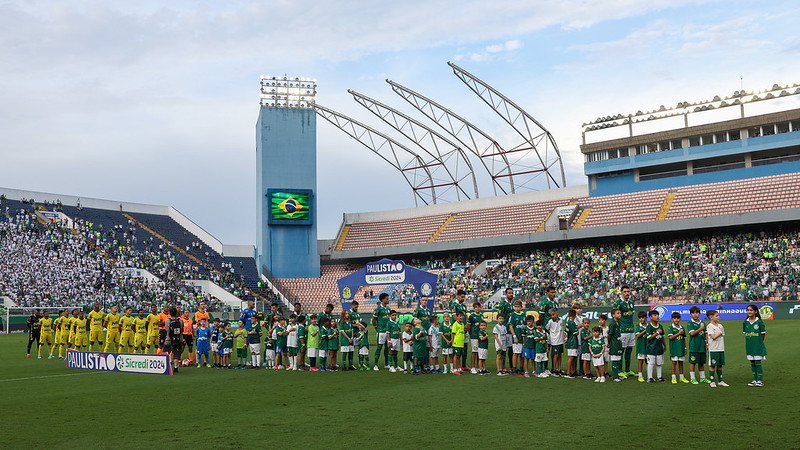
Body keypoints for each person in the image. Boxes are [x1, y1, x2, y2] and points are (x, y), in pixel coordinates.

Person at [613, 285, 636, 376]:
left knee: (629, 351)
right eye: (625, 292)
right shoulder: (618, 303)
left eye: (628, 291)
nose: (627, 293)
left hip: (631, 330)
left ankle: (627, 369)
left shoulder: (631, 303)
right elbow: (614, 315)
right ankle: (620, 370)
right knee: (621, 351)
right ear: (621, 293)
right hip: (623, 330)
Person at [743, 304, 767, 387]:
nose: (749, 312)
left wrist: (759, 342)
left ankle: (759, 380)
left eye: (751, 310)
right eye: (748, 310)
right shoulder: (745, 322)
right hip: (749, 346)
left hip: (757, 346)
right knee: (752, 363)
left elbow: (763, 334)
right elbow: (745, 333)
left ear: (755, 311)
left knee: (757, 363)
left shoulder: (759, 322)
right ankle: (754, 380)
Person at [687, 306, 710, 384]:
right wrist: (700, 329)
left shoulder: (702, 323)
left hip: (702, 346)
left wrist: (707, 343)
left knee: (701, 362)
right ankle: (692, 378)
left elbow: (706, 333)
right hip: (694, 346)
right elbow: (692, 333)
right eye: (693, 313)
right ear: (690, 314)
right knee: (693, 362)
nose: (695, 314)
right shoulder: (690, 323)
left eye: (697, 313)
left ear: (699, 314)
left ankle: (702, 378)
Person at [706, 310, 727, 387]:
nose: (718, 317)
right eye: (716, 316)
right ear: (711, 317)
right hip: (713, 349)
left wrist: (720, 332)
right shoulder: (710, 326)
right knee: (712, 365)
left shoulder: (720, 326)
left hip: (721, 348)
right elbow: (713, 337)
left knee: (720, 365)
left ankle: (720, 381)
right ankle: (712, 381)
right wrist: (720, 332)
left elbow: (722, 335)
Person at [667, 312, 689, 384]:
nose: (676, 320)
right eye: (674, 318)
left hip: (681, 348)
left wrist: (685, 348)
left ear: (680, 319)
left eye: (678, 318)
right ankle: (673, 377)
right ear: (672, 319)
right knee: (674, 362)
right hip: (674, 348)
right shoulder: (671, 327)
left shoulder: (682, 328)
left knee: (681, 362)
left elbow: (684, 338)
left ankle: (681, 377)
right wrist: (679, 333)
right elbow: (671, 337)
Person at [450, 290, 469, 370]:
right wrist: (461, 325)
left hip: (464, 329)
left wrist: (466, 325)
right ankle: (456, 367)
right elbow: (455, 317)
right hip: (458, 329)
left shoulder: (464, 306)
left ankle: (464, 365)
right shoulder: (454, 305)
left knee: (465, 347)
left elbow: (466, 316)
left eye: (464, 297)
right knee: (457, 349)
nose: (463, 298)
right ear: (457, 296)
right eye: (462, 297)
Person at [645, 310, 666, 383]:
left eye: (657, 315)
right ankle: (650, 377)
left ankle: (659, 377)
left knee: (659, 363)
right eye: (655, 315)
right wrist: (657, 333)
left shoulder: (660, 326)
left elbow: (663, 337)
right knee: (651, 363)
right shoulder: (649, 327)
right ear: (650, 317)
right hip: (651, 349)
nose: (657, 317)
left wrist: (665, 345)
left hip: (659, 348)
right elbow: (649, 337)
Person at [372, 294, 392, 370]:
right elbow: (374, 320)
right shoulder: (378, 309)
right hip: (381, 331)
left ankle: (386, 364)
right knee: (379, 347)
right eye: (387, 299)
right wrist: (376, 328)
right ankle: (375, 365)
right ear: (382, 300)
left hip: (387, 331)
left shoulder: (388, 308)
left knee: (387, 347)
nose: (388, 300)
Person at [497, 288, 515, 369]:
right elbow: (499, 316)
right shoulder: (503, 304)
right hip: (505, 329)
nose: (511, 294)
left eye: (512, 293)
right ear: (506, 294)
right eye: (509, 293)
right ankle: (503, 367)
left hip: (511, 330)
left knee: (511, 349)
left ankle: (511, 366)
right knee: (504, 349)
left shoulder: (512, 305)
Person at [507, 300, 526, 375]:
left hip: (523, 338)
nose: (517, 308)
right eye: (515, 307)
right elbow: (511, 326)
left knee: (522, 354)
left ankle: (521, 369)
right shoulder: (513, 315)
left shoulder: (523, 315)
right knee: (515, 353)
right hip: (517, 337)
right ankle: (514, 369)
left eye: (518, 307)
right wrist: (514, 336)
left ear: (521, 307)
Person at [545, 309, 565, 376]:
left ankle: (559, 369)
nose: (552, 316)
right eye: (551, 315)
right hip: (554, 341)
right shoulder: (550, 322)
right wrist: (552, 334)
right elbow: (546, 329)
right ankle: (554, 369)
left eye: (553, 314)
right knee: (555, 355)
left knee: (560, 355)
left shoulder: (561, 319)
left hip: (561, 340)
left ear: (556, 313)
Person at [163, 307, 183, 373]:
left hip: (168, 339)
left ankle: (165, 367)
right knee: (176, 354)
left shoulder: (167, 320)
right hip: (178, 340)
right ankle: (175, 367)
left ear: (169, 313)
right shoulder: (180, 320)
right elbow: (182, 329)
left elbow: (167, 330)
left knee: (166, 353)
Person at [607, 308, 624, 382]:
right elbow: (609, 334)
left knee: (618, 359)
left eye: (620, 313)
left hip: (618, 343)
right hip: (614, 343)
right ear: (613, 315)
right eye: (618, 313)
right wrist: (609, 343)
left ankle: (617, 375)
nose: (619, 314)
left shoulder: (618, 322)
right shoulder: (612, 324)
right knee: (615, 359)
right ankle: (615, 377)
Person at [467, 301, 483, 374]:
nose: (477, 309)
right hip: (474, 336)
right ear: (473, 308)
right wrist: (471, 333)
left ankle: (478, 366)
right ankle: (473, 367)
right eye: (476, 307)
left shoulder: (481, 315)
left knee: (479, 352)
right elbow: (468, 326)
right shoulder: (471, 316)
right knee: (474, 351)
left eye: (478, 307)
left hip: (480, 336)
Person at [564, 309, 579, 378]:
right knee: (571, 357)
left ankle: (572, 371)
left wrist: (566, 338)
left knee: (573, 357)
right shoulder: (572, 323)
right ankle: (568, 372)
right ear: (575, 316)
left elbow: (565, 332)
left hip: (570, 341)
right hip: (572, 342)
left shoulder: (568, 322)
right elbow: (576, 333)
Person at [634, 311, 648, 382]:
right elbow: (638, 335)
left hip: (648, 346)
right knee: (640, 361)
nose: (641, 319)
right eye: (640, 318)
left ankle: (649, 375)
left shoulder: (649, 325)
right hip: (641, 346)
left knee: (648, 361)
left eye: (643, 318)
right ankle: (640, 376)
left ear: (646, 318)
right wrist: (645, 331)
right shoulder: (638, 326)